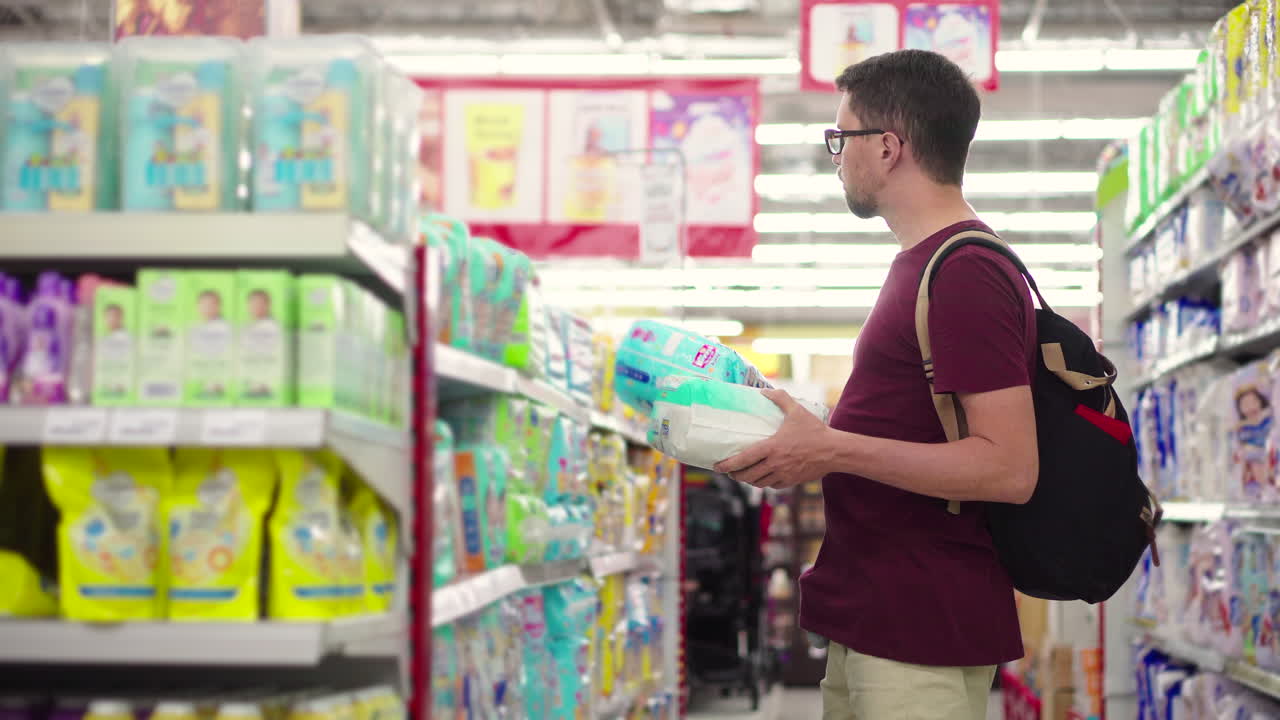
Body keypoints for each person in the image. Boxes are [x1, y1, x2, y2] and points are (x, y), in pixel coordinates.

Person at [715, 49, 1037, 720]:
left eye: (842, 137)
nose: (837, 156)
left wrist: (829, 449)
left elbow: (1009, 467)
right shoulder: (918, 266)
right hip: (879, 617)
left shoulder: (964, 272)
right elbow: (909, 422)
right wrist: (804, 426)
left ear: (888, 147)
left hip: (921, 626)